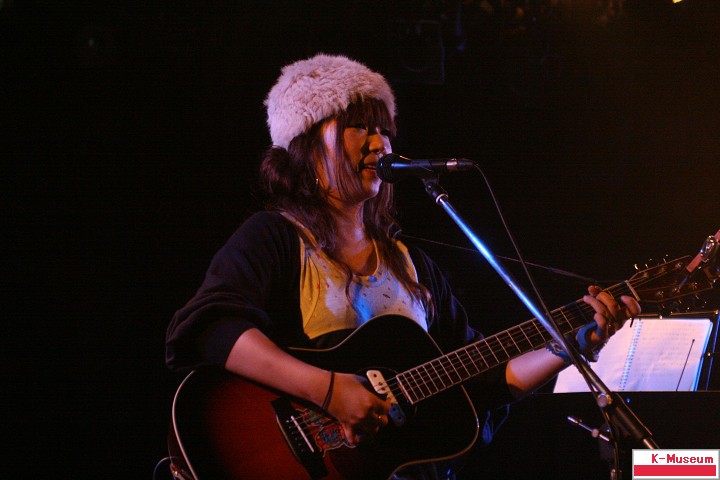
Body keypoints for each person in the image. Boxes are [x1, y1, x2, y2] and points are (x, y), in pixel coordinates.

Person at [165, 53, 641, 479]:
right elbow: (212, 328)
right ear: (307, 144)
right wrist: (327, 390)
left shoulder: (414, 268)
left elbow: (483, 382)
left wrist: (569, 345)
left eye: (386, 130)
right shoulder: (275, 237)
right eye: (360, 127)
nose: (381, 143)